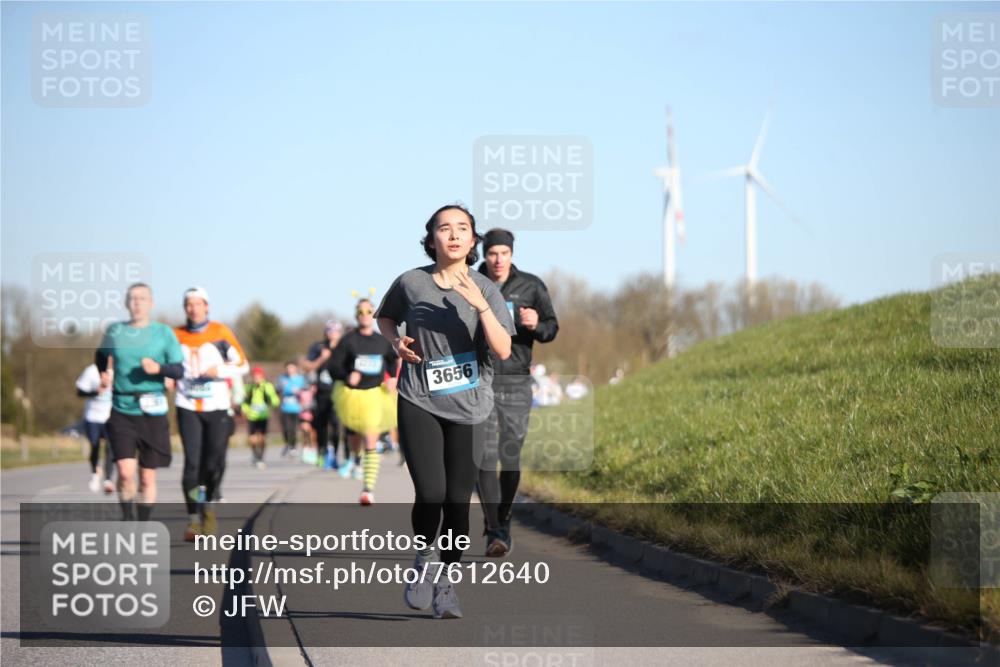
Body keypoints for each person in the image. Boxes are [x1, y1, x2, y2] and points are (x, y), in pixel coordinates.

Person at [376, 203, 514, 619]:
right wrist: (395, 343)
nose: (453, 235)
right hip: (419, 397)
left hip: (470, 408)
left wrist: (483, 305)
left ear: (473, 240)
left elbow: (504, 350)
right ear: (431, 238)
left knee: (457, 500)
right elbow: (386, 319)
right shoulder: (411, 282)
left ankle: (446, 582)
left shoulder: (485, 288)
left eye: (463, 229)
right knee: (431, 494)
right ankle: (423, 560)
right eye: (444, 228)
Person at [475, 229, 559, 557]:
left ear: (511, 254)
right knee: (483, 456)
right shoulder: (470, 282)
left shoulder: (532, 286)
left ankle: (502, 516)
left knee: (510, 457)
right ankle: (496, 528)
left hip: (516, 379)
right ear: (484, 253)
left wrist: (536, 325)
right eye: (492, 253)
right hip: (478, 378)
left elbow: (552, 328)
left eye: (503, 254)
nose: (497, 260)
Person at [96, 282, 184, 521]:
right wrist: (103, 374)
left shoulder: (164, 333)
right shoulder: (115, 331)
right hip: (122, 408)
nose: (137, 303)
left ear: (151, 303)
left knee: (147, 478)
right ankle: (127, 520)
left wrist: (159, 368)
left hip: (152, 411)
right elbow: (100, 356)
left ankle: (143, 524)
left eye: (142, 298)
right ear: (126, 303)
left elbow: (179, 369)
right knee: (125, 472)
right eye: (132, 298)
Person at [173, 287, 249, 541]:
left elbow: (242, 365)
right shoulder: (176, 335)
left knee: (213, 463)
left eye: (197, 304)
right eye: (188, 304)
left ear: (207, 306)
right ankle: (194, 519)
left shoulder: (220, 332)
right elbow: (167, 364)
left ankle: (209, 505)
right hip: (187, 405)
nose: (193, 308)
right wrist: (166, 377)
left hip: (216, 406)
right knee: (192, 465)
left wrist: (220, 370)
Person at [331, 298, 399, 505]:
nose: (365, 315)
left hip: (374, 396)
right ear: (356, 315)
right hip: (352, 395)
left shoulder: (381, 341)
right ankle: (355, 458)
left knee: (371, 438)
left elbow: (392, 360)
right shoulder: (348, 341)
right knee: (354, 438)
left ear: (374, 314)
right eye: (361, 312)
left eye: (369, 311)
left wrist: (393, 377)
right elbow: (333, 367)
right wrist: (347, 375)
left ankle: (367, 489)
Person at [300, 320, 345, 470]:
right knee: (321, 425)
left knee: (336, 424)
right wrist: (322, 358)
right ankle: (323, 452)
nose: (332, 333)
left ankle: (334, 455)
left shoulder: (344, 346)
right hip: (321, 392)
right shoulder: (318, 347)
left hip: (338, 391)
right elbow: (307, 367)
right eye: (329, 330)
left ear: (340, 333)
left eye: (335, 331)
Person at [75, 362, 115, 494]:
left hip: (110, 416)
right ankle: (95, 472)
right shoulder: (91, 371)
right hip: (93, 417)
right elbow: (79, 392)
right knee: (95, 445)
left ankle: (108, 479)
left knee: (110, 447)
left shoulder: (118, 370)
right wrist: (95, 392)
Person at [242, 366, 280, 467]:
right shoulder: (249, 387)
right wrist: (245, 410)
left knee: (262, 437)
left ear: (262, 376)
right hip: (252, 416)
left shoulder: (268, 386)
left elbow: (274, 399)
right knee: (252, 438)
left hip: (263, 415)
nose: (256, 378)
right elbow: (245, 402)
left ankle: (261, 457)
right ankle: (255, 455)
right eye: (255, 376)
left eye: (258, 376)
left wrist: (272, 403)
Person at [276, 362, 306, 456]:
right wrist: (290, 390)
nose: (290, 370)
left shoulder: (301, 379)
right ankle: (287, 443)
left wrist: (299, 393)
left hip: (297, 408)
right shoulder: (282, 378)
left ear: (295, 368)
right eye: (288, 368)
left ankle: (293, 446)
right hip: (285, 408)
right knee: (286, 428)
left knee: (293, 428)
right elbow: (279, 389)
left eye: (292, 368)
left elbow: (304, 390)